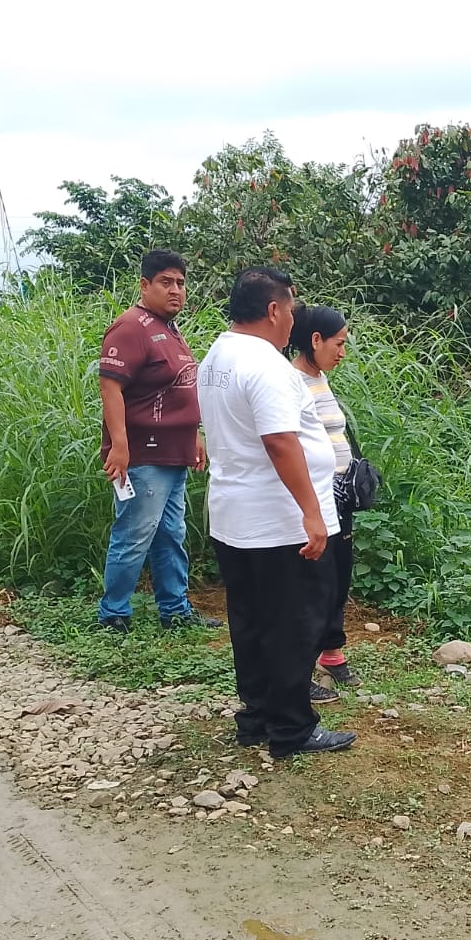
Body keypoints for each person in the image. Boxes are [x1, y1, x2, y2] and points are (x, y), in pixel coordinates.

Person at [196, 267, 358, 758]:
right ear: (272, 310)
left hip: (235, 516)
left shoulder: (217, 356)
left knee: (251, 620)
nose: (293, 319)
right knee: (295, 622)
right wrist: (311, 513)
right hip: (279, 522)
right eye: (290, 309)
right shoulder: (265, 364)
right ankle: (292, 728)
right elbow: (280, 442)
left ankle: (257, 716)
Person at [95, 249, 218, 633]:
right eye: (166, 282)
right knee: (135, 534)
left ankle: (175, 611)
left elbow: (175, 387)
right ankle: (113, 614)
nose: (175, 289)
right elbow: (110, 387)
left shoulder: (169, 329)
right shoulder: (130, 327)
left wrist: (193, 434)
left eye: (180, 282)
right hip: (143, 455)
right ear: (145, 285)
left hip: (173, 452)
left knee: (170, 535)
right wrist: (120, 446)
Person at [287, 303, 362, 702]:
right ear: (315, 340)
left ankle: (331, 651)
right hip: (315, 496)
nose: (343, 352)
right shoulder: (292, 382)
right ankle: (300, 666)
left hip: (339, 495)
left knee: (338, 573)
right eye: (339, 343)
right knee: (313, 581)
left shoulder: (319, 378)